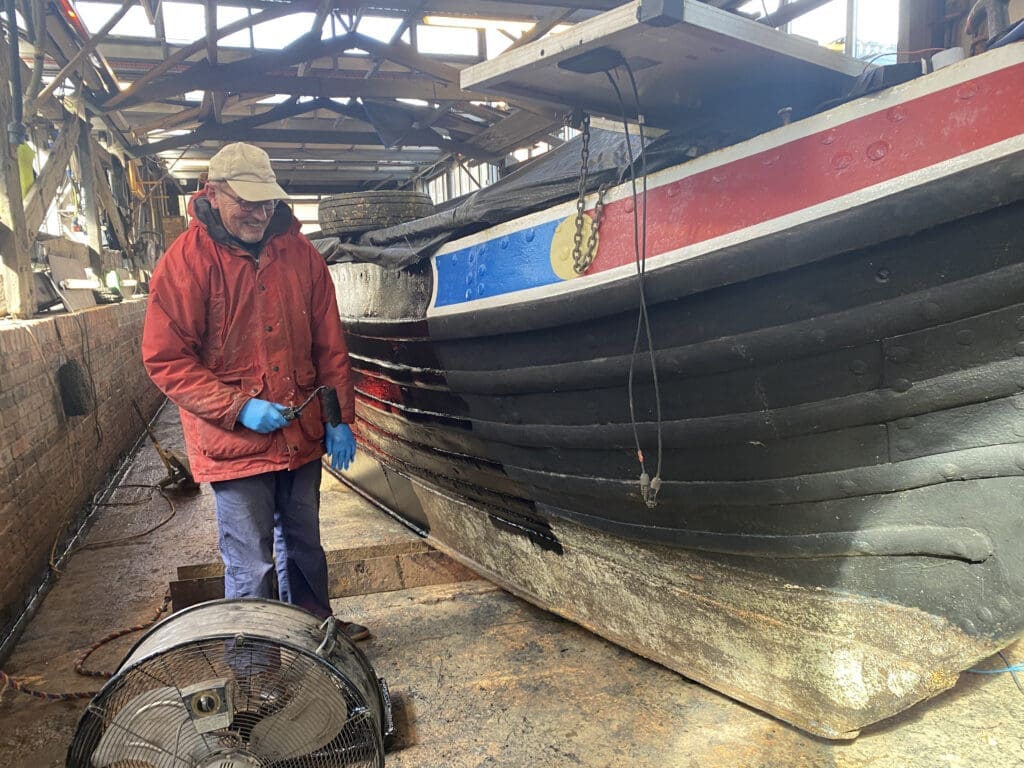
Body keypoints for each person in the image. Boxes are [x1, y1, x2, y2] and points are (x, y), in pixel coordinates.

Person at [141, 142, 368, 640]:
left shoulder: (300, 254)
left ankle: (314, 634)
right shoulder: (185, 263)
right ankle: (256, 666)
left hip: (301, 432)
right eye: (247, 201)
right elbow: (166, 359)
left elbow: (329, 343)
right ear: (215, 194)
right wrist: (238, 408)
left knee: (305, 544)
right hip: (235, 444)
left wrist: (337, 417)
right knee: (251, 565)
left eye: (266, 201)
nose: (260, 213)